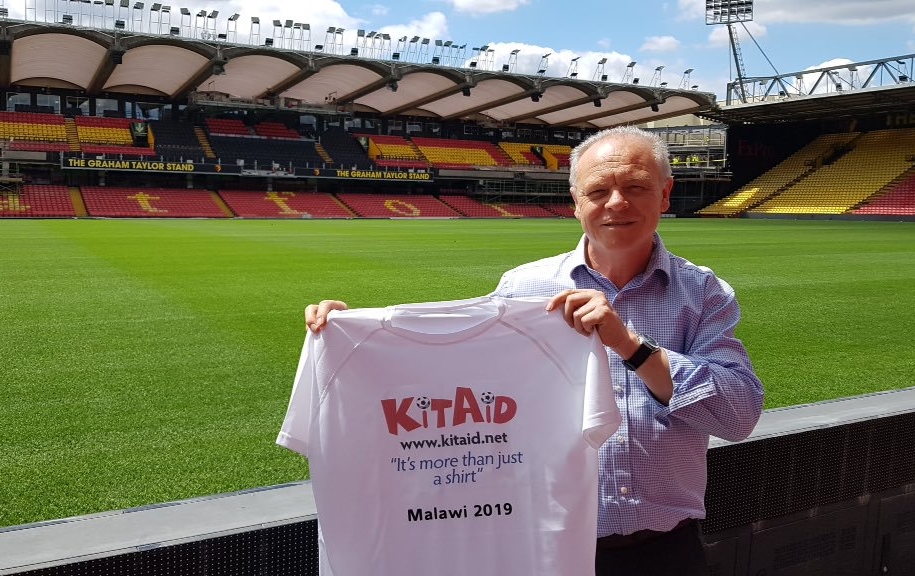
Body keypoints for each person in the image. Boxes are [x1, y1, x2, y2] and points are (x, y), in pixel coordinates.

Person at [304, 125, 764, 576]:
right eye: (598, 191)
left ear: (665, 194)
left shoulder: (703, 293)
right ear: (576, 202)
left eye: (635, 187)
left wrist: (628, 344)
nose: (615, 202)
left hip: (666, 551)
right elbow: (453, 378)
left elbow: (737, 416)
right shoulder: (522, 288)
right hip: (543, 549)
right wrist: (355, 334)